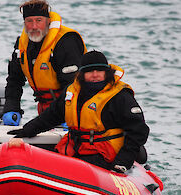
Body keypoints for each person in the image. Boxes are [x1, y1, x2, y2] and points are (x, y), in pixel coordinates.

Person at [8, 50, 149, 172]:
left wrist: (124, 160)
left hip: (104, 154)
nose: (95, 75)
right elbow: (51, 116)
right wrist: (27, 130)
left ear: (107, 73)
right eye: (89, 71)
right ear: (82, 74)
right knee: (44, 163)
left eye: (99, 71)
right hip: (75, 149)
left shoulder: (120, 96)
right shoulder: (72, 92)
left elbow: (138, 130)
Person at [2, 0, 87, 126]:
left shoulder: (66, 41)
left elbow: (74, 86)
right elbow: (14, 80)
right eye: (29, 21)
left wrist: (66, 114)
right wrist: (11, 108)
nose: (34, 26)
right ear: (24, 23)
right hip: (45, 110)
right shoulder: (22, 44)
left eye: (39, 20)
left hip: (74, 109)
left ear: (48, 21)